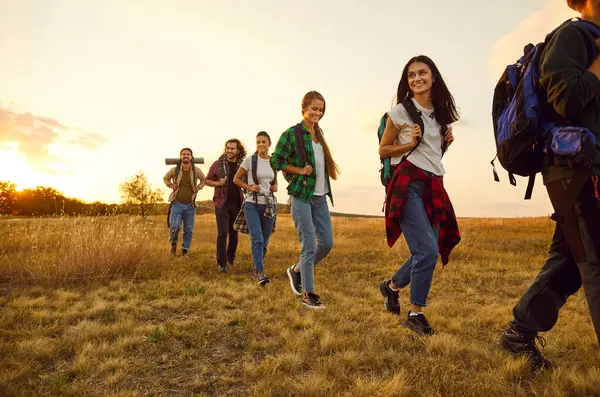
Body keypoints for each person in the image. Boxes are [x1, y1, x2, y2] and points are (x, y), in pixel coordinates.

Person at [499, 0, 600, 371]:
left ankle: (520, 331)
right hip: (574, 168)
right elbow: (566, 98)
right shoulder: (573, 35)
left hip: (587, 167)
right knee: (593, 260)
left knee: (571, 263)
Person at [378, 55, 460, 335]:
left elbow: (433, 154)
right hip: (408, 182)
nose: (417, 78)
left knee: (428, 250)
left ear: (433, 77)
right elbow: (384, 150)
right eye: (411, 75)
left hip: (434, 184)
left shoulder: (441, 113)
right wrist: (410, 143)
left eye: (422, 73)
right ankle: (416, 314)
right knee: (426, 251)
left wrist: (445, 143)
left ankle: (390, 287)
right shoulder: (400, 111)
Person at [271, 90, 340, 309]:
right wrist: (298, 170)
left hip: (320, 198)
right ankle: (309, 294)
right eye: (314, 108)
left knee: (327, 243)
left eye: (321, 110)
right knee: (309, 244)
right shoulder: (292, 134)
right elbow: (275, 160)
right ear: (304, 108)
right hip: (301, 196)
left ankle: (297, 270)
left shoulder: (320, 135)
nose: (317, 113)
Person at [233, 131, 278, 286]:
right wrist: (249, 187)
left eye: (263, 142)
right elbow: (236, 179)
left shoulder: (273, 162)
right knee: (257, 238)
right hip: (252, 204)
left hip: (269, 205)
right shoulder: (250, 160)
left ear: (269, 144)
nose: (260, 145)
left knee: (264, 242)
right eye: (258, 142)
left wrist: (275, 185)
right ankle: (259, 272)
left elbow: (273, 181)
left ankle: (255, 269)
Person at [205, 139, 246, 272]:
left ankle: (230, 259)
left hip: (237, 204)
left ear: (238, 150)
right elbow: (207, 180)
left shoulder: (243, 164)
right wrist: (218, 183)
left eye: (232, 148)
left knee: (234, 235)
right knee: (223, 233)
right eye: (227, 148)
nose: (229, 151)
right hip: (221, 203)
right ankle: (221, 264)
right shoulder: (218, 164)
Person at [163, 147, 205, 255]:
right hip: (176, 203)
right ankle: (173, 246)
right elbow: (165, 178)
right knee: (174, 227)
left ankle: (184, 251)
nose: (186, 156)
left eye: (188, 154)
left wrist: (198, 187)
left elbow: (204, 180)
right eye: (183, 154)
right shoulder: (175, 170)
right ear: (180, 157)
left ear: (191, 157)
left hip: (190, 205)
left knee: (189, 230)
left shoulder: (196, 170)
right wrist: (171, 185)